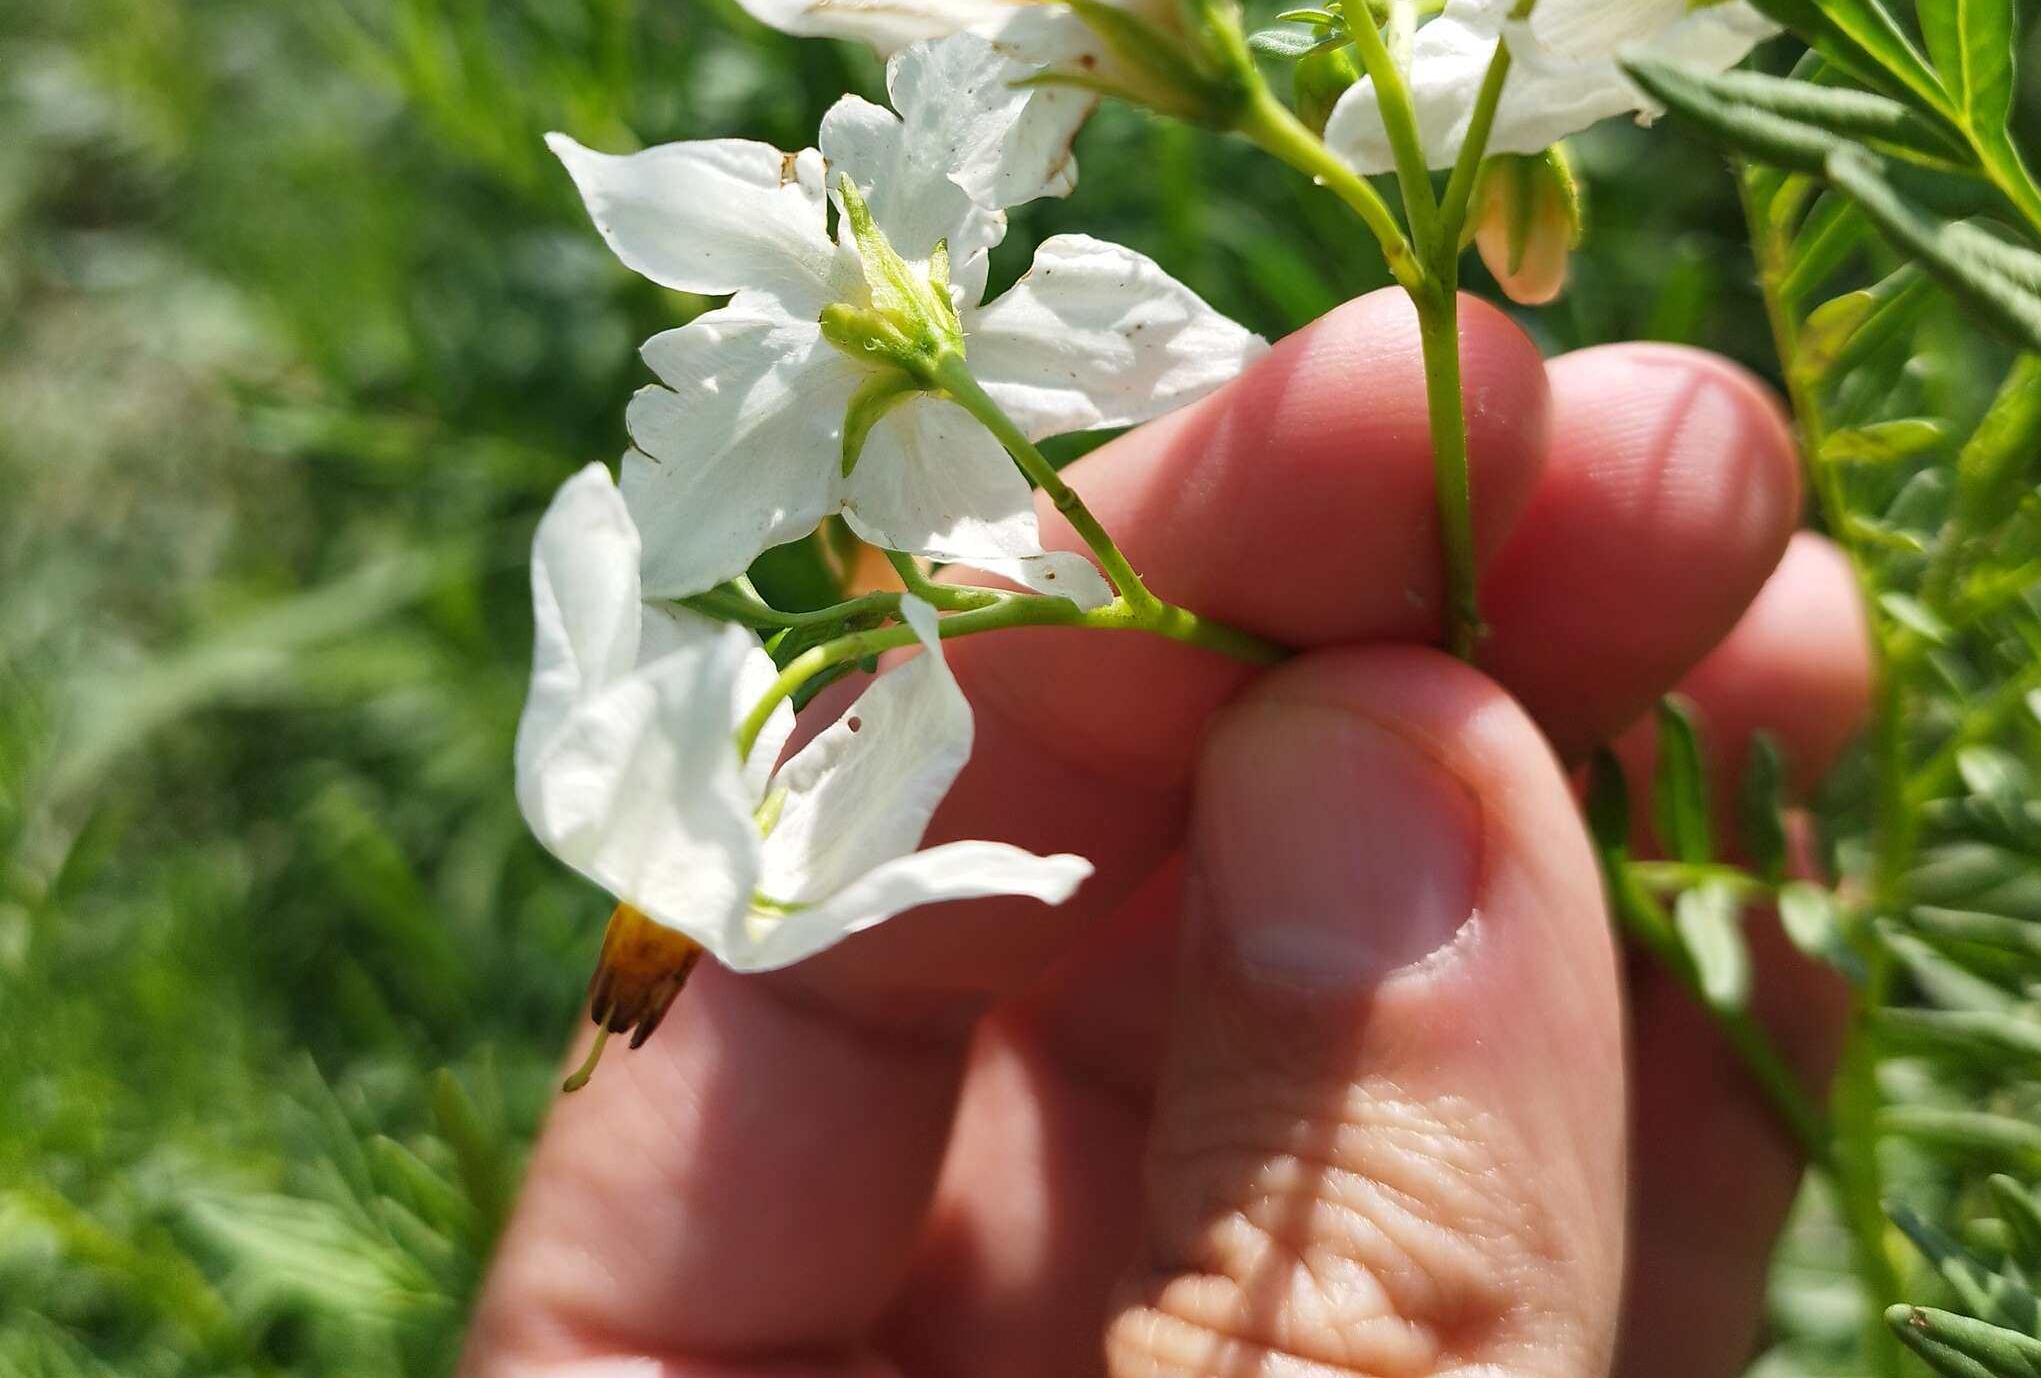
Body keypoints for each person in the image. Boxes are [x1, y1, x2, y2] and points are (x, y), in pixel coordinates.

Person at [459, 289, 1871, 1378]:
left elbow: (670, 623)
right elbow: (906, 744)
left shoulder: (683, 857)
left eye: (651, 940)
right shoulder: (747, 890)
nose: (647, 963)